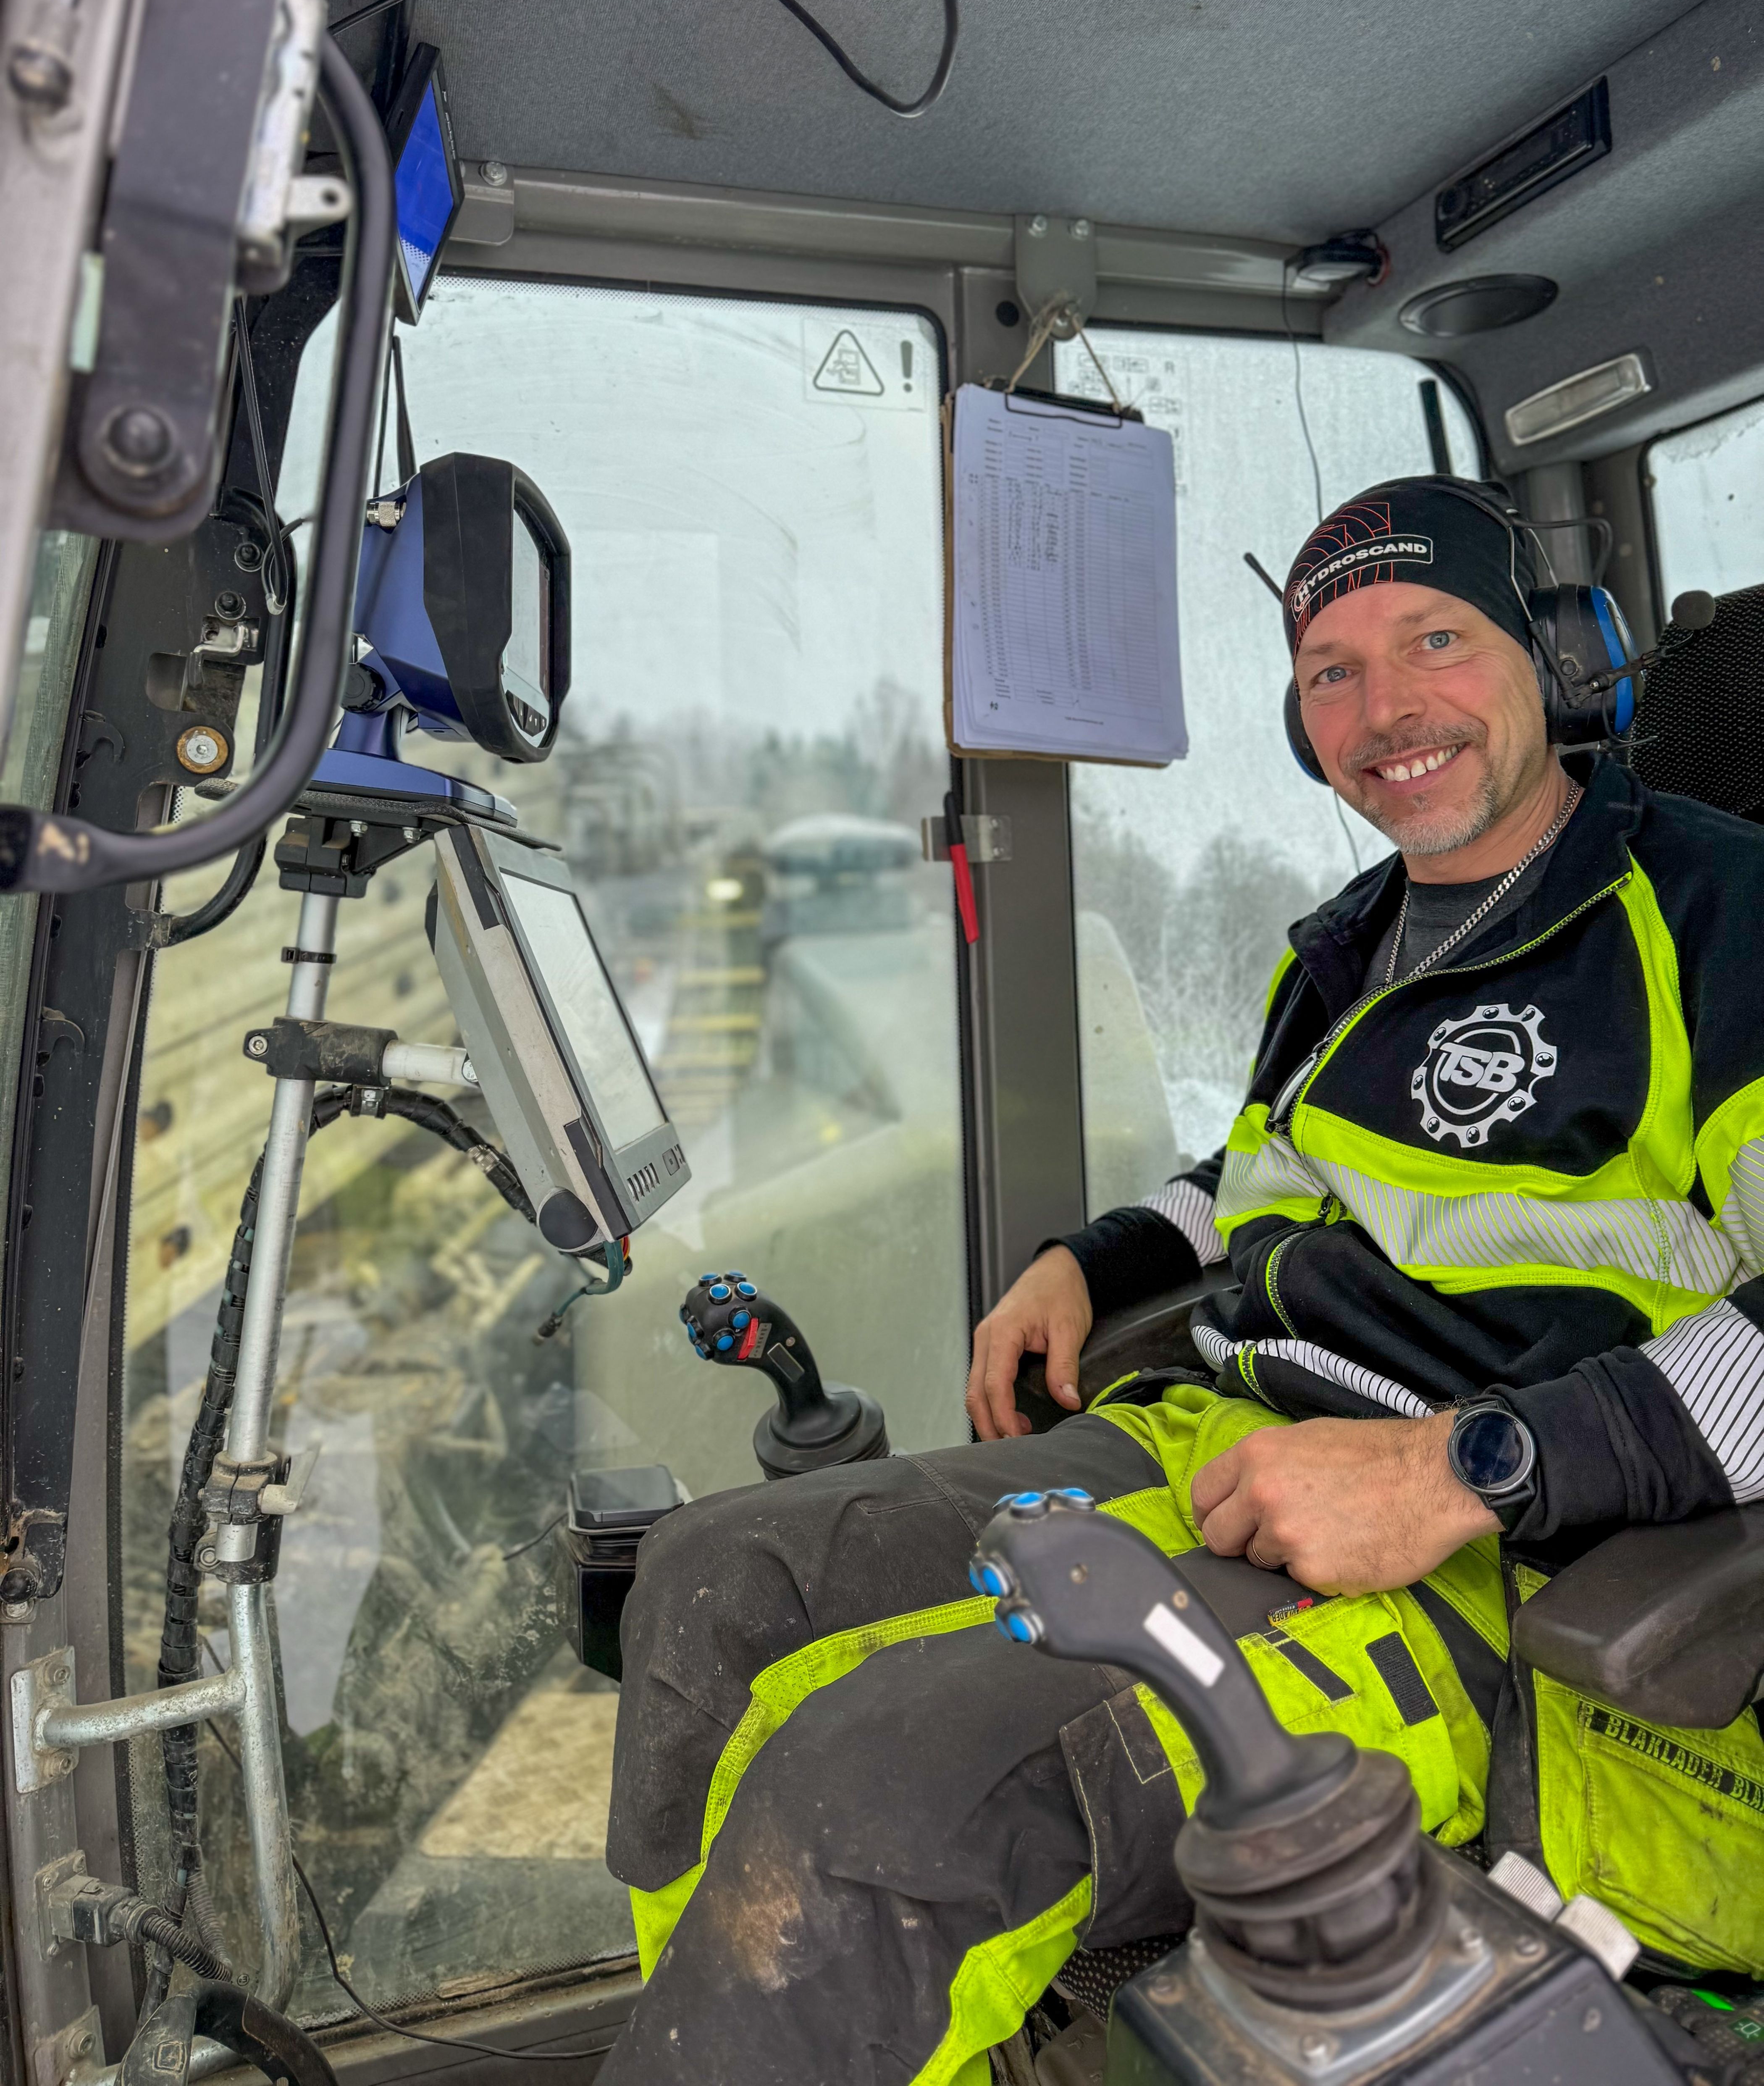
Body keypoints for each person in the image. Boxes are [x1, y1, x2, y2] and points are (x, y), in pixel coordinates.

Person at [600, 476, 1764, 2086]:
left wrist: (1459, 1468)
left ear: (1558, 658)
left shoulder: (1721, 913)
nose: (1384, 709)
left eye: (1435, 640)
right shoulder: (1349, 944)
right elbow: (1253, 1177)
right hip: (1222, 1439)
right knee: (710, 1586)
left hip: (1500, 1551)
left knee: (875, 1792)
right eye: (1333, 672)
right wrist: (1091, 1261)